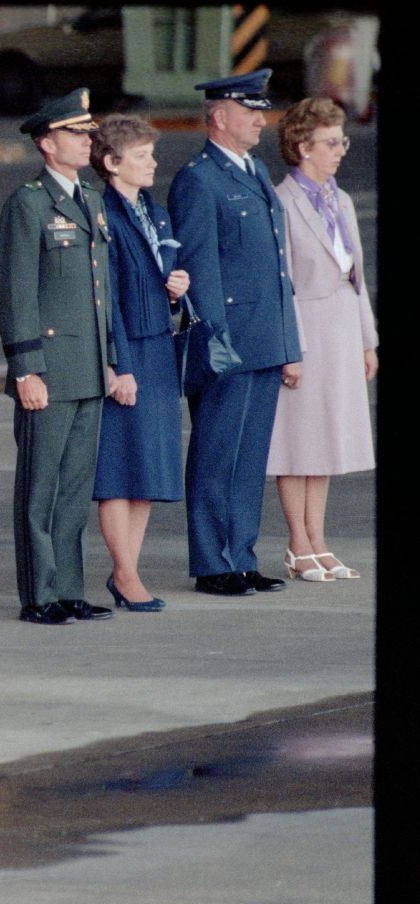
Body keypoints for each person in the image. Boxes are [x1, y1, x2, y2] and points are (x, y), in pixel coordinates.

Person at [168, 69, 302, 597]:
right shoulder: (199, 179)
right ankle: (212, 561)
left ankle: (240, 555)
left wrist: (289, 343)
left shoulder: (254, 171)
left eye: (260, 109)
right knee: (217, 453)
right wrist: (214, 342)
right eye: (249, 110)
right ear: (219, 117)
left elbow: (277, 269)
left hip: (264, 337)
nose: (259, 119)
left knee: (249, 458)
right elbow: (200, 268)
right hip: (229, 342)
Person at [0, 88, 115, 626]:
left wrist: (107, 360)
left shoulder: (89, 198)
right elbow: (16, 292)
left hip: (87, 367)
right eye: (75, 133)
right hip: (49, 369)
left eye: (88, 132)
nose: (87, 140)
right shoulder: (29, 203)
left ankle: (69, 588)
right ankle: (40, 594)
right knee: (40, 488)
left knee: (74, 490)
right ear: (47, 142)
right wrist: (26, 368)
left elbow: (97, 293)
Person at [267, 97, 377, 581]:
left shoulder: (341, 199)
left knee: (327, 438)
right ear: (302, 147)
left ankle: (319, 539)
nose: (340, 151)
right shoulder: (282, 202)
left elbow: (358, 278)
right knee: (298, 440)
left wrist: (367, 341)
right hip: (306, 329)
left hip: (340, 327)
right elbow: (282, 282)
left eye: (342, 141)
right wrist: (291, 349)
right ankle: (298, 542)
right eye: (331, 143)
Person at [88, 115, 192, 612]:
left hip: (157, 348)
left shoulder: (152, 210)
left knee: (148, 469)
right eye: (141, 155)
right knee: (119, 469)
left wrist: (176, 289)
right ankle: (125, 574)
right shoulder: (104, 213)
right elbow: (104, 299)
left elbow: (156, 275)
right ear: (111, 164)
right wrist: (118, 365)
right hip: (127, 349)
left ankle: (130, 568)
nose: (153, 163)